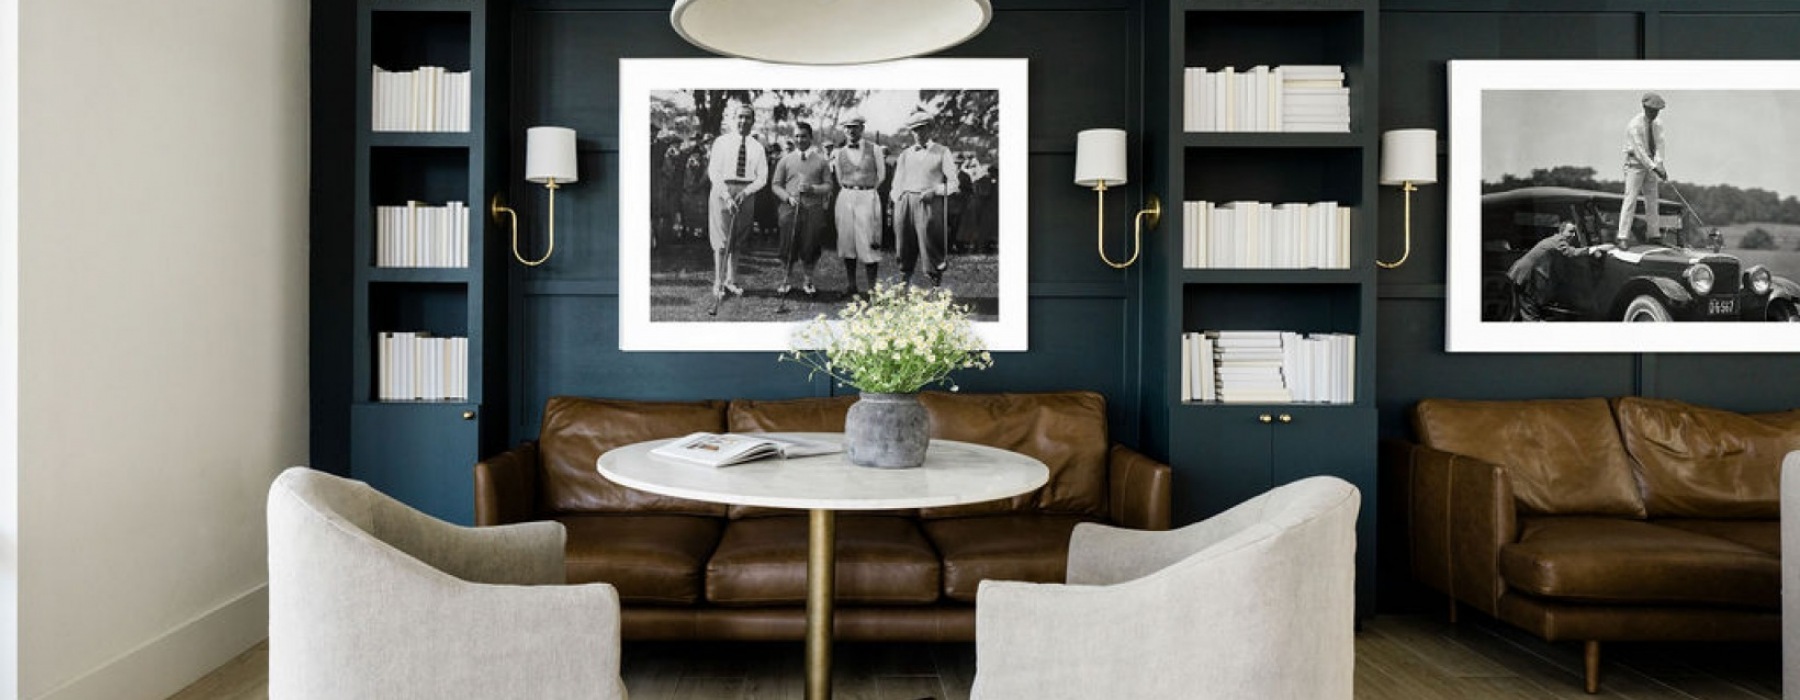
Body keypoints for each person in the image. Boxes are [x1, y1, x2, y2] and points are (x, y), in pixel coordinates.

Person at [890, 108, 960, 286]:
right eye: (915, 129)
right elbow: (897, 183)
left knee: (931, 243)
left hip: (930, 202)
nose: (919, 133)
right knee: (904, 245)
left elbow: (953, 183)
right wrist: (898, 202)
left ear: (930, 129)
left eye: (923, 128)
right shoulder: (905, 154)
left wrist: (935, 191)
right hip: (906, 202)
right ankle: (903, 287)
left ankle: (935, 288)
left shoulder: (942, 151)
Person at [706, 104, 767, 298]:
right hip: (722, 190)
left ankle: (731, 280)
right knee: (722, 240)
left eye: (748, 117)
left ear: (753, 121)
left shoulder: (757, 147)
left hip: (746, 192)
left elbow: (762, 177)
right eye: (740, 117)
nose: (743, 121)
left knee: (738, 240)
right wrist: (726, 195)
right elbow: (713, 172)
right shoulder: (721, 142)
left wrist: (746, 192)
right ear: (734, 118)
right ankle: (718, 282)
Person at [771, 121, 832, 296]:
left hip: (813, 209)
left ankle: (808, 281)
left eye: (804, 136)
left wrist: (813, 189)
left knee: (810, 245)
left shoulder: (821, 161)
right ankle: (785, 280)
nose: (800, 139)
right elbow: (775, 185)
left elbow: (829, 185)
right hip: (790, 208)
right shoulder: (785, 160)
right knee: (787, 245)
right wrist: (788, 197)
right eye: (797, 136)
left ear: (810, 138)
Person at [831, 110, 886, 298]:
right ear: (844, 130)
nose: (851, 131)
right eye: (848, 127)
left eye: (855, 127)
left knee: (869, 241)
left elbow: (882, 175)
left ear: (862, 128)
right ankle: (851, 284)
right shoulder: (838, 153)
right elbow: (839, 177)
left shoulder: (875, 149)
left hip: (867, 196)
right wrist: (850, 190)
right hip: (846, 196)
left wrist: (868, 190)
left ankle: (872, 289)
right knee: (847, 241)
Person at [1507, 220, 1601, 321]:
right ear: (1561, 231)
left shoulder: (1554, 240)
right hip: (1526, 274)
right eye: (1570, 231)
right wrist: (1596, 248)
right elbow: (1571, 253)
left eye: (1574, 232)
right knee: (1529, 308)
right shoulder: (1559, 240)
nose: (1573, 235)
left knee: (1525, 308)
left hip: (1523, 273)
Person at [1617, 92, 1667, 249]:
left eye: (1657, 110)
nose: (1655, 113)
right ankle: (1622, 237)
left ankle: (1654, 235)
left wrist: (1659, 163)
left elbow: (1660, 144)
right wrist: (1654, 167)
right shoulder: (1634, 125)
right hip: (1635, 165)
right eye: (1652, 110)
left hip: (1651, 164)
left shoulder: (1658, 124)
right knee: (1630, 199)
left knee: (1652, 200)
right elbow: (1639, 151)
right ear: (1644, 107)